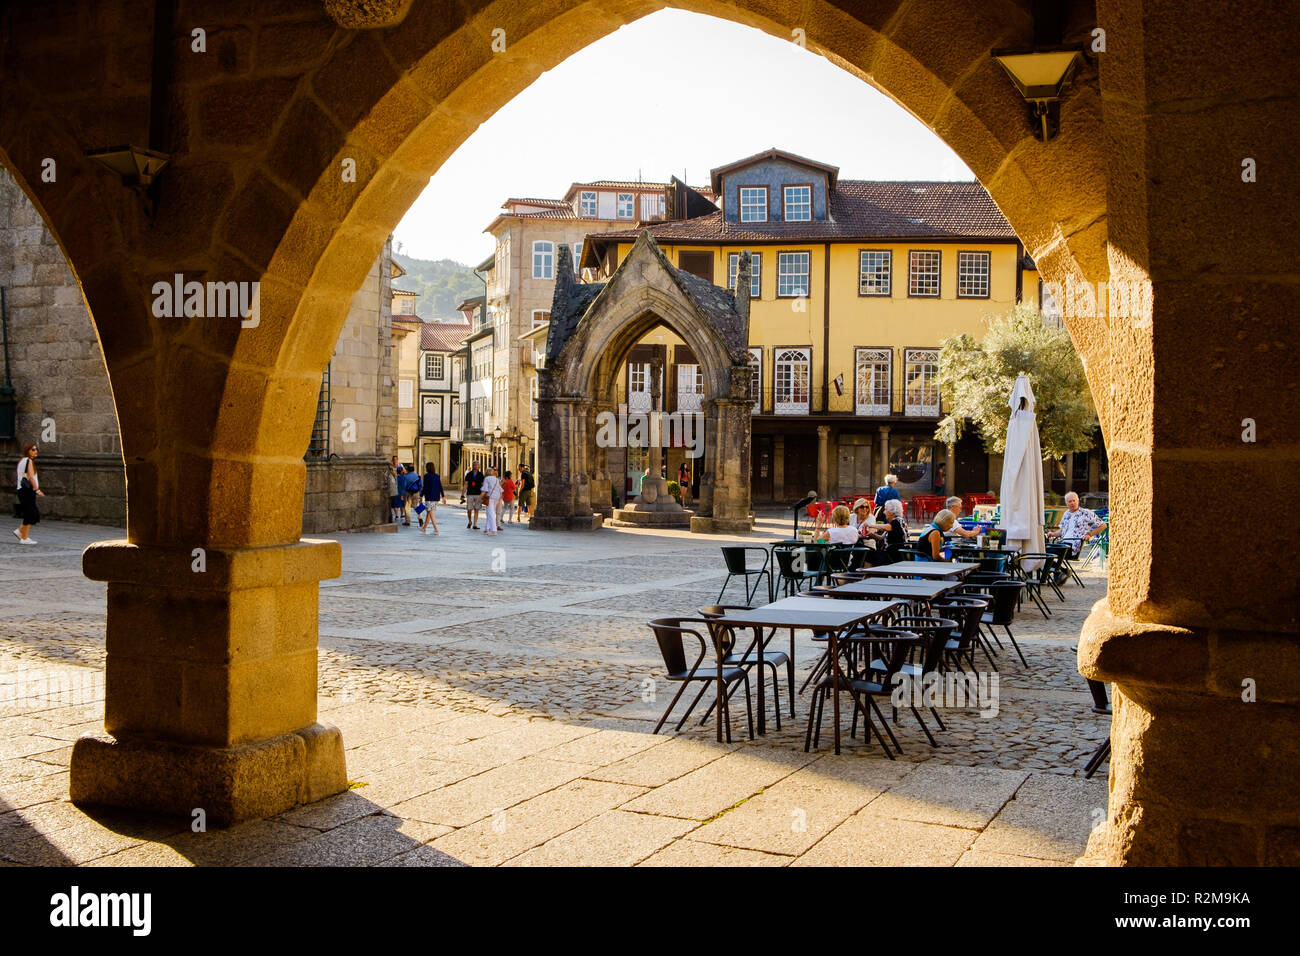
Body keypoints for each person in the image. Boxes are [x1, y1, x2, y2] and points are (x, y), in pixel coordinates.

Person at [1049, 491, 1107, 557]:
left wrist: (1090, 534)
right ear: (1066, 503)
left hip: (1073, 547)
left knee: (1048, 553)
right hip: (1062, 544)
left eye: (1074, 501)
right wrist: (1053, 534)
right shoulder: (1066, 514)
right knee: (1044, 550)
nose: (1072, 503)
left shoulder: (1086, 513)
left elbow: (1103, 525)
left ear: (1078, 501)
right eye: (1070, 501)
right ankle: (1059, 567)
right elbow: (1062, 531)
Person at [12, 443, 43, 544]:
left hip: (23, 491)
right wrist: (37, 489)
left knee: (31, 513)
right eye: (33, 450)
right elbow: (30, 477)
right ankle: (24, 538)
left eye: (36, 449)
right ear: (27, 451)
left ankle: (20, 532)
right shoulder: (28, 461)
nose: (35, 451)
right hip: (27, 491)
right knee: (31, 513)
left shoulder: (23, 461)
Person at [419, 462, 446, 535]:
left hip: (429, 497)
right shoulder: (437, 476)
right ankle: (424, 528)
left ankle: (436, 529)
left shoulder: (426, 476)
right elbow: (440, 486)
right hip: (436, 497)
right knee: (429, 513)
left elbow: (425, 487)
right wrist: (443, 496)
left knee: (431, 513)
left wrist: (421, 495)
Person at [881, 497, 908, 564]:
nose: (884, 512)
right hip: (894, 553)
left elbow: (886, 527)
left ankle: (868, 574)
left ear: (892, 512)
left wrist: (870, 525)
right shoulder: (896, 521)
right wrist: (870, 534)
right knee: (872, 554)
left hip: (896, 555)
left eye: (885, 510)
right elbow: (881, 537)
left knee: (869, 555)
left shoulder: (897, 521)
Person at [481, 466, 502, 536]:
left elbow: (485, 490)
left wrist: (479, 499)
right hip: (496, 497)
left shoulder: (487, 479)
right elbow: (500, 490)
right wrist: (499, 499)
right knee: (489, 513)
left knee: (491, 513)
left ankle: (493, 530)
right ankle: (487, 528)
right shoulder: (496, 479)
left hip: (490, 497)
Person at [464, 462, 484, 529]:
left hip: (478, 493)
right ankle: (470, 521)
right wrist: (462, 494)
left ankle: (475, 524)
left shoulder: (481, 475)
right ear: (473, 466)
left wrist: (484, 493)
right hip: (470, 493)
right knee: (469, 509)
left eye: (478, 465)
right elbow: (466, 484)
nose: (477, 466)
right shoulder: (469, 474)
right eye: (476, 465)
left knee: (476, 509)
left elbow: (483, 484)